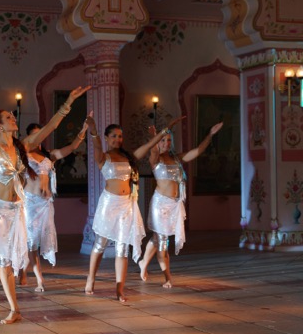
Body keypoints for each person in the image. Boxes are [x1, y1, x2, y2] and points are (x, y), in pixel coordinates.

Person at [0, 85, 89, 324]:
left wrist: (68, 102)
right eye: (8, 117)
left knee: (6, 257)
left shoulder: (22, 147)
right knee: (5, 260)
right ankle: (15, 310)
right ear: (0, 126)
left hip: (16, 208)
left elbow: (50, 128)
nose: (13, 118)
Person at [84, 112, 184, 303]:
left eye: (120, 136)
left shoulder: (129, 157)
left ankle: (119, 289)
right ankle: (91, 278)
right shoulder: (103, 157)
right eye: (114, 136)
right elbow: (96, 145)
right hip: (109, 204)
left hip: (126, 205)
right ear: (107, 138)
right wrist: (93, 130)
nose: (117, 139)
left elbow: (149, 145)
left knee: (122, 248)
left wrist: (166, 128)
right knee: (100, 244)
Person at [139, 121, 224, 288]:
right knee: (162, 241)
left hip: (174, 205)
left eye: (168, 140)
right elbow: (154, 150)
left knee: (157, 238)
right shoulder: (155, 158)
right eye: (163, 140)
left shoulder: (176, 158)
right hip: (160, 205)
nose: (166, 143)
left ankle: (143, 262)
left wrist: (210, 134)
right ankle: (167, 277)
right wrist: (154, 136)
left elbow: (197, 151)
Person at [19, 113, 91, 292]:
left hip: (45, 204)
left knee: (40, 239)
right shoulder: (23, 156)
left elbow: (71, 148)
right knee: (31, 241)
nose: (39, 138)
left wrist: (83, 130)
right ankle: (38, 279)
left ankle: (25, 270)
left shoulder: (49, 156)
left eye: (41, 134)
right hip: (30, 202)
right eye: (35, 135)